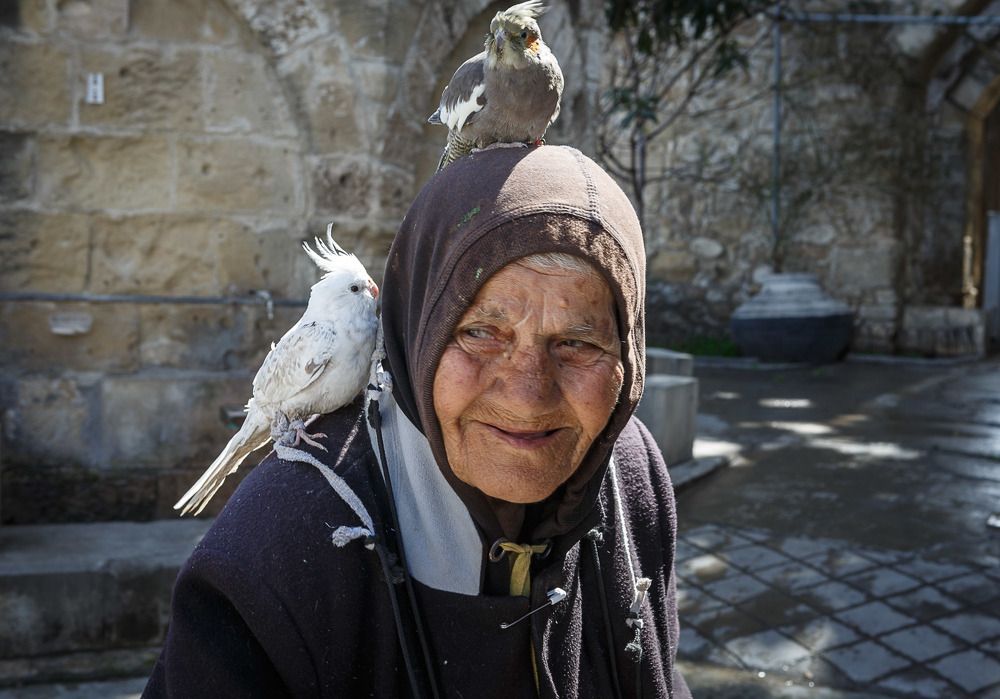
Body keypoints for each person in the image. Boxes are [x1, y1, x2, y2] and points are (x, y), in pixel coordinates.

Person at [143, 145, 692, 698]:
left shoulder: (631, 480)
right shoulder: (272, 553)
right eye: (479, 333)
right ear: (416, 336)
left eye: (576, 343)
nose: (527, 397)